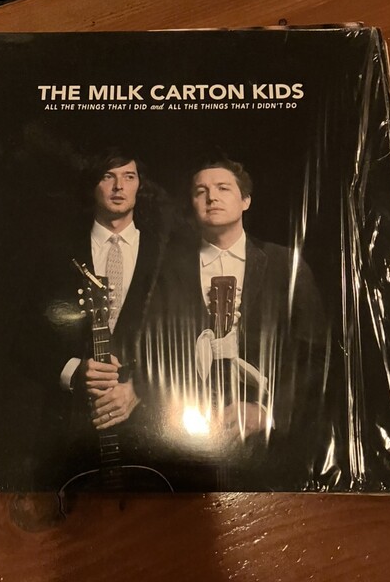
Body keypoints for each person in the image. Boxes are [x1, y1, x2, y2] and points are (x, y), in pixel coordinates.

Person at [139, 150, 329, 492]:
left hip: (272, 446)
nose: (211, 197)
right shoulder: (168, 270)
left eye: (223, 188)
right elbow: (154, 349)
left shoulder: (285, 265)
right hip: (190, 443)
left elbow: (314, 354)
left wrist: (269, 413)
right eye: (200, 191)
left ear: (245, 201)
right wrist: (181, 414)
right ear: (192, 205)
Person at [13, 145, 172, 491]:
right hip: (70, 424)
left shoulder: (166, 253)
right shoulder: (58, 252)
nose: (119, 186)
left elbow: (185, 339)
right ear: (93, 185)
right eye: (107, 176)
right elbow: (23, 338)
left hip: (147, 425)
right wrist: (73, 371)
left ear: (140, 185)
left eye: (129, 177)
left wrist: (141, 388)